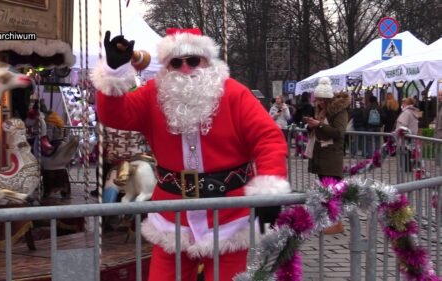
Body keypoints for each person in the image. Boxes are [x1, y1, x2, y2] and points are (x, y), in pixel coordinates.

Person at [92, 28, 290, 281]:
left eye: (193, 60)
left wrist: (269, 190)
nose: (185, 69)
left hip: (227, 217)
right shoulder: (153, 94)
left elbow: (268, 138)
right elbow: (114, 115)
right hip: (171, 218)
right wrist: (114, 71)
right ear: (167, 66)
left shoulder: (234, 93)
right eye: (176, 62)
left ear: (207, 61)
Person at [304, 77, 350, 234]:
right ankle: (329, 220)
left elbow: (338, 133)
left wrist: (320, 125)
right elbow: (320, 131)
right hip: (320, 155)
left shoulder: (339, 112)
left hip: (331, 156)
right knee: (326, 190)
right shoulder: (321, 111)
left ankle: (336, 222)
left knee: (333, 190)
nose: (318, 102)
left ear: (327, 99)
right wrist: (311, 127)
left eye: (321, 100)